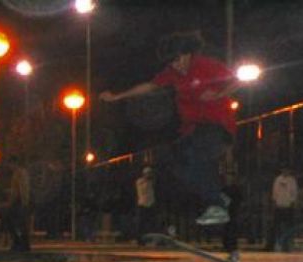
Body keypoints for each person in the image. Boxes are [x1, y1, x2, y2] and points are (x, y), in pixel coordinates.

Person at [99, 31, 240, 226]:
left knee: (197, 156)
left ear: (188, 53)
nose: (177, 66)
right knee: (176, 164)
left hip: (218, 126)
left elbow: (236, 80)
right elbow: (149, 86)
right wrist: (118, 96)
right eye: (172, 63)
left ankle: (216, 204)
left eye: (179, 60)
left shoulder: (205, 65)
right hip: (192, 129)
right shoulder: (172, 73)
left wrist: (218, 95)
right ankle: (217, 197)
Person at [269, 166, 298, 251]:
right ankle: (275, 244)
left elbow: (294, 193)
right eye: (284, 169)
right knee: (276, 227)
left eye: (287, 170)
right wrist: (274, 203)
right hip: (278, 206)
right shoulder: (277, 179)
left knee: (288, 227)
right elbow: (274, 192)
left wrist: (292, 203)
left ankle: (287, 245)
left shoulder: (292, 180)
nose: (285, 171)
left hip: (288, 206)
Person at [5, 156, 31, 252]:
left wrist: (23, 201)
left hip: (19, 201)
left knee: (13, 221)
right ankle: (22, 243)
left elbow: (21, 189)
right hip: (20, 200)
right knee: (20, 223)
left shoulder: (19, 173)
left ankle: (19, 242)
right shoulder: (20, 173)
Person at [221, 167, 243, 262]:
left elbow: (239, 201)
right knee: (226, 233)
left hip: (233, 213)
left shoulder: (236, 188)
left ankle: (234, 252)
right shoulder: (224, 188)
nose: (228, 178)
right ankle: (230, 251)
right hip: (225, 213)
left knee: (232, 233)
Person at [135, 166, 158, 243]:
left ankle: (150, 239)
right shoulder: (140, 181)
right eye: (148, 174)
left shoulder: (151, 182)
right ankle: (140, 240)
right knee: (141, 223)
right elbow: (143, 189)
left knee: (151, 223)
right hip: (142, 204)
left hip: (150, 204)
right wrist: (147, 180)